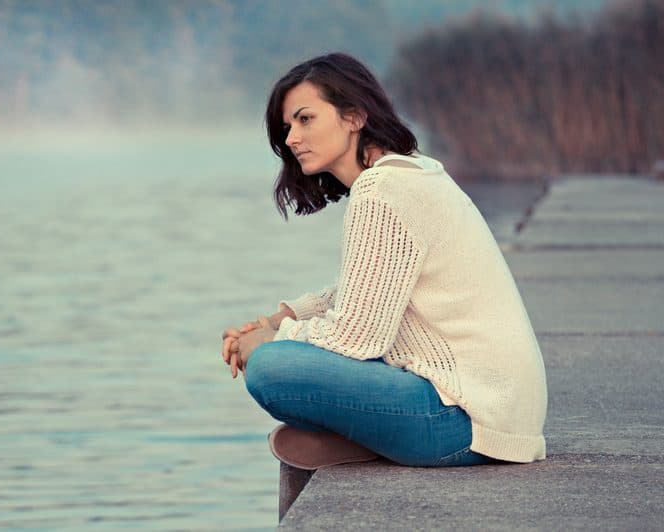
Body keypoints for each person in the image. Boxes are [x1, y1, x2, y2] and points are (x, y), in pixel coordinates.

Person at [220, 53, 547, 468]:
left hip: (465, 417)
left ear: (354, 117)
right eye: (287, 127)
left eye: (305, 119)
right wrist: (275, 319)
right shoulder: (411, 173)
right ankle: (371, 439)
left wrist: (271, 340)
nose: (291, 139)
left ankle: (370, 438)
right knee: (285, 351)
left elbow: (357, 337)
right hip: (499, 412)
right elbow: (364, 291)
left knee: (270, 368)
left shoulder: (383, 189)